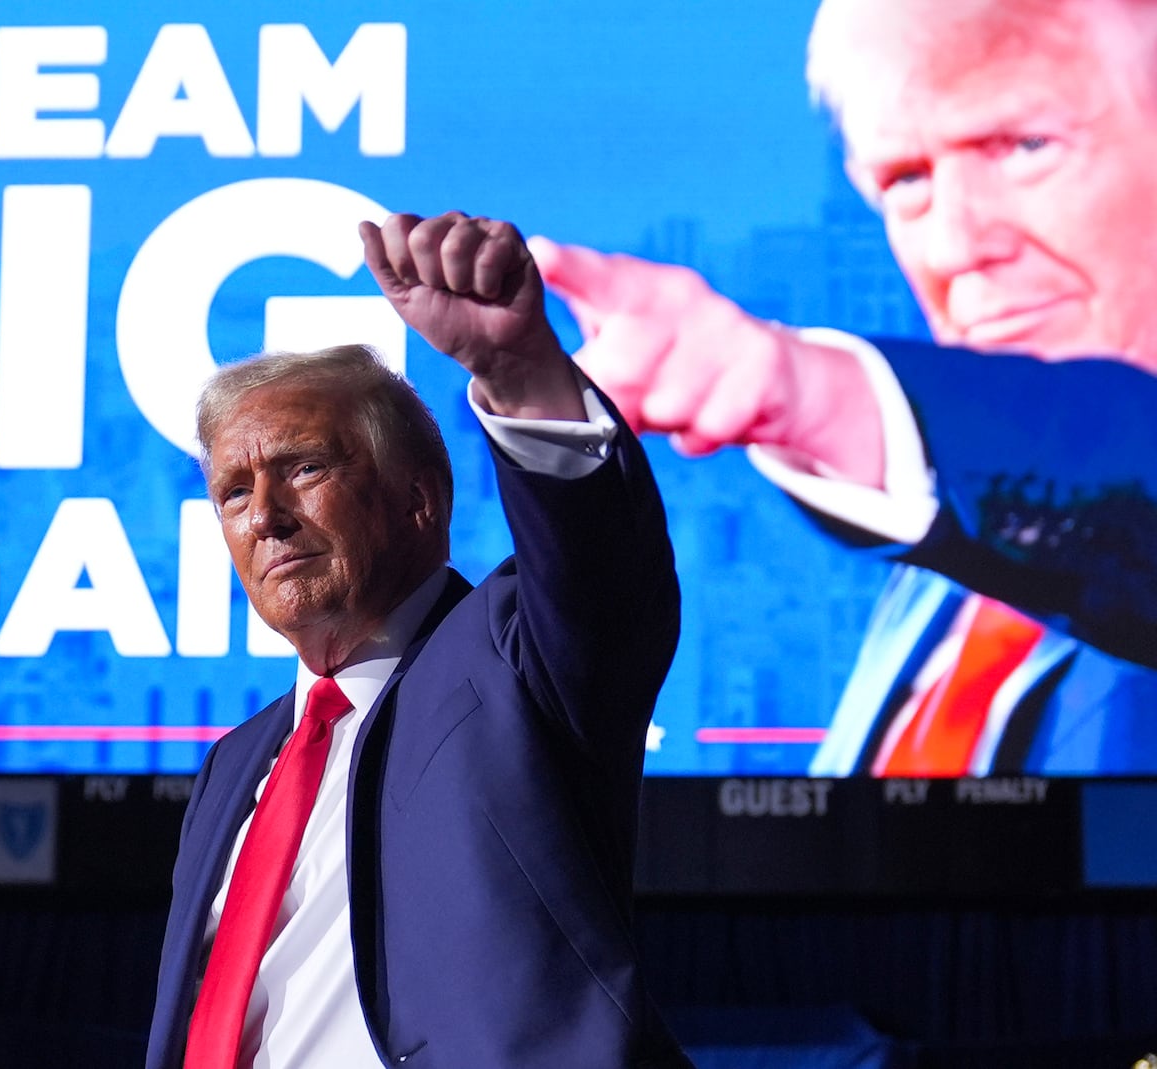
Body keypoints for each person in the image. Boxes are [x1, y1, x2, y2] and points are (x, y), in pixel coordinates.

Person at [530, 0, 1157, 776]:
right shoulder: (940, 561)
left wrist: (809, 391)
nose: (956, 245)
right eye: (907, 178)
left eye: (1028, 145)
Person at [144, 212, 687, 1067]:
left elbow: (604, 577)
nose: (266, 518)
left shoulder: (513, 661)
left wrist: (522, 375)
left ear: (417, 501)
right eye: (233, 493)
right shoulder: (235, 763)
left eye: (304, 468)